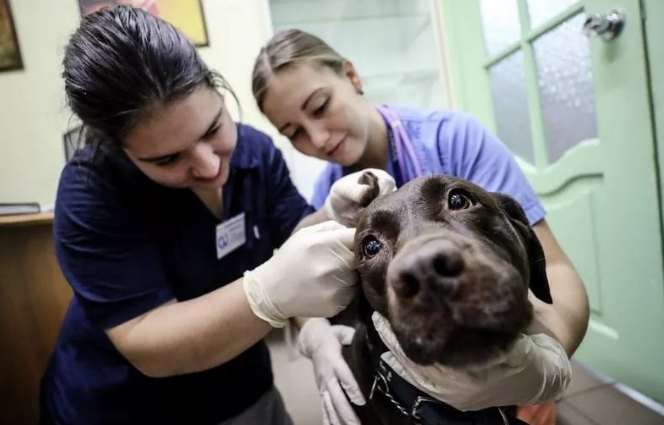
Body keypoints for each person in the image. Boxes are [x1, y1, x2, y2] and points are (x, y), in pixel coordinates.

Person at [40, 7, 367, 425]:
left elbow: (291, 237)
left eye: (214, 129)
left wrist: (328, 214)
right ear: (120, 151)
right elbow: (147, 340)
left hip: (241, 388)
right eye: (168, 159)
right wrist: (269, 291)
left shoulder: (256, 153)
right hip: (126, 408)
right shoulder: (92, 191)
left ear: (217, 89)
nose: (211, 167)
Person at [252, 29, 589, 425]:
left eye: (321, 106)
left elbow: (554, 270)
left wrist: (544, 364)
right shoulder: (328, 194)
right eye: (294, 133)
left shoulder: (452, 139)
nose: (318, 137)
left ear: (352, 76)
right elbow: (301, 283)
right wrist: (314, 335)